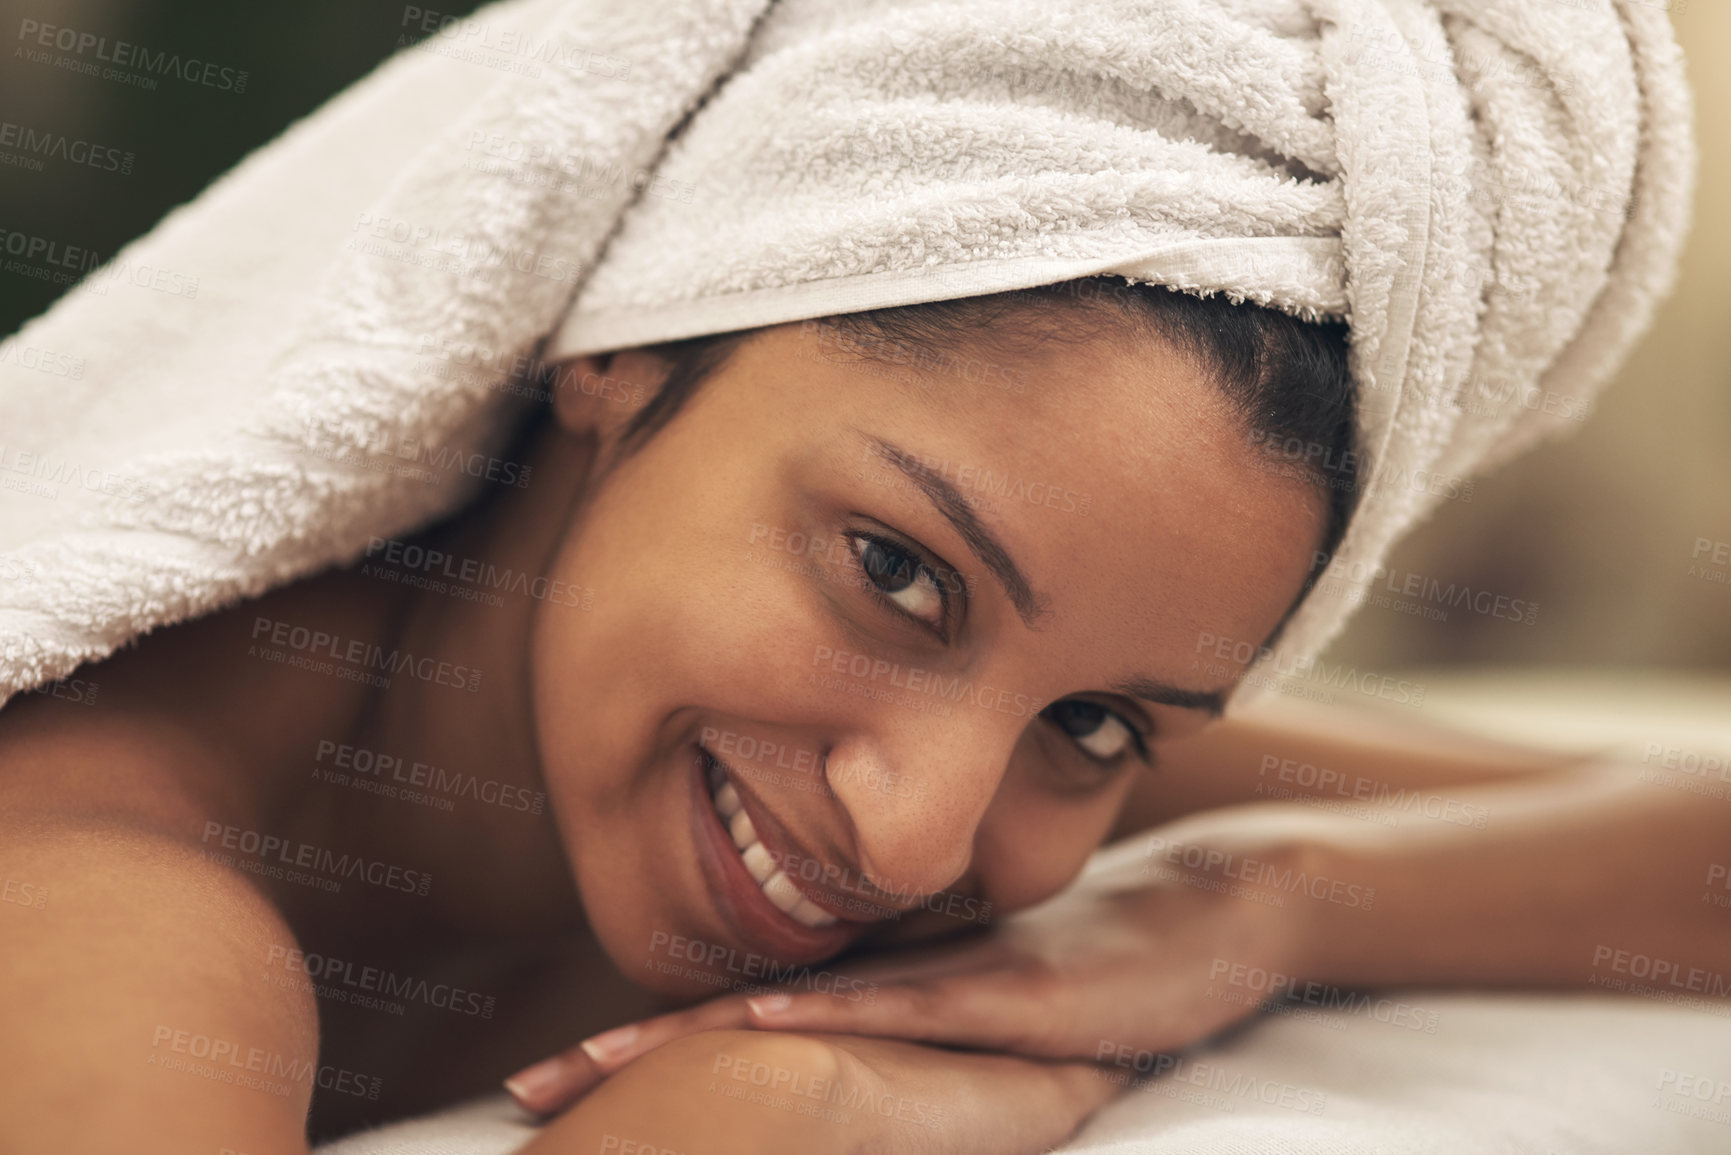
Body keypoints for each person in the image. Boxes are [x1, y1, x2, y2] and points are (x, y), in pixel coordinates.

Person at [4, 274, 1725, 1155]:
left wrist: (1248, 904)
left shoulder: (992, 791)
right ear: (630, 347)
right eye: (901, 575)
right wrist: (756, 1130)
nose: (917, 836)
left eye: (1110, 723)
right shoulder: (108, 887)